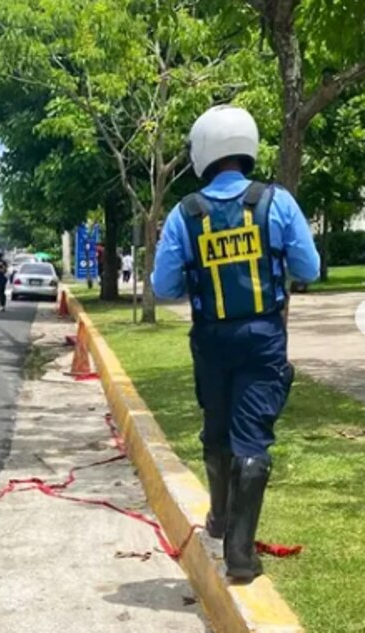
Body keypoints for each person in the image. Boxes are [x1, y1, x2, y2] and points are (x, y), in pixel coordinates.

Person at [151, 105, 320, 582]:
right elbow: (308, 269)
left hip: (211, 339)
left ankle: (221, 517)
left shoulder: (186, 214)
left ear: (202, 151)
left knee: (216, 428)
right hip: (264, 337)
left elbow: (164, 287)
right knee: (253, 439)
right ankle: (241, 553)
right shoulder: (277, 202)